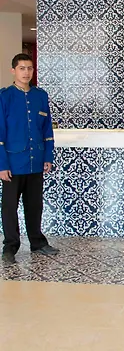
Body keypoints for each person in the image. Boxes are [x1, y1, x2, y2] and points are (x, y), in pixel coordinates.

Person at [0, 53, 59, 264]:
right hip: (13, 163)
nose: (26, 72)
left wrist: (48, 156)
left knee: (35, 205)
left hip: (36, 160)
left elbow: (47, 129)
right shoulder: (4, 97)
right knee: (9, 207)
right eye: (22, 68)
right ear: (13, 71)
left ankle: (37, 242)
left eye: (30, 68)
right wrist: (2, 164)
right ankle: (10, 246)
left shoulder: (40, 96)